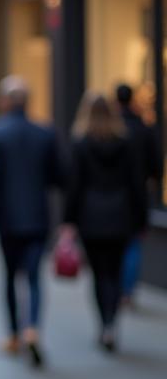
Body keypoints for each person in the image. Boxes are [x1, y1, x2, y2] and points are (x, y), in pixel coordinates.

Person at [0, 76, 64, 367]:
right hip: (38, 216)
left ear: (4, 101)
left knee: (9, 277)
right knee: (34, 277)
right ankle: (32, 329)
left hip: (7, 217)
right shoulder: (45, 132)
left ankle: (14, 334)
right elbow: (58, 175)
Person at [62, 92, 146, 352]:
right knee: (115, 271)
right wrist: (140, 219)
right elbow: (136, 184)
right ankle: (112, 322)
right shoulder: (125, 142)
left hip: (91, 217)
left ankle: (105, 322)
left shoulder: (81, 143)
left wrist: (69, 221)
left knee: (99, 274)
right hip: (120, 215)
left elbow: (74, 186)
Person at [115, 83, 163, 307]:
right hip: (137, 196)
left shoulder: (112, 128)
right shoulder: (142, 128)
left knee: (118, 245)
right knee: (133, 244)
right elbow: (155, 165)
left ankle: (119, 287)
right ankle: (127, 291)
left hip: (115, 198)